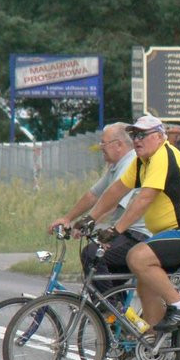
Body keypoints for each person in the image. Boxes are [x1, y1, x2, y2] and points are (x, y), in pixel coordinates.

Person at [79, 114, 180, 331]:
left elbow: (144, 198)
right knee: (145, 284)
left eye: (143, 134)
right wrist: (90, 218)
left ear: (161, 137)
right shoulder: (142, 162)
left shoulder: (163, 156)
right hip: (173, 232)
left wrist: (116, 230)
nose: (136, 139)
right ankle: (152, 343)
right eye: (134, 134)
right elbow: (116, 190)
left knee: (137, 257)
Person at [48, 122, 150, 294]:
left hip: (139, 235)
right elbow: (93, 195)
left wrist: (89, 223)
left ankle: (106, 312)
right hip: (125, 232)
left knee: (92, 255)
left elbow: (114, 203)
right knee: (106, 278)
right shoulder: (116, 167)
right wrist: (68, 218)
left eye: (104, 143)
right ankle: (114, 313)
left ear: (119, 145)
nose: (101, 147)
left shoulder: (130, 162)